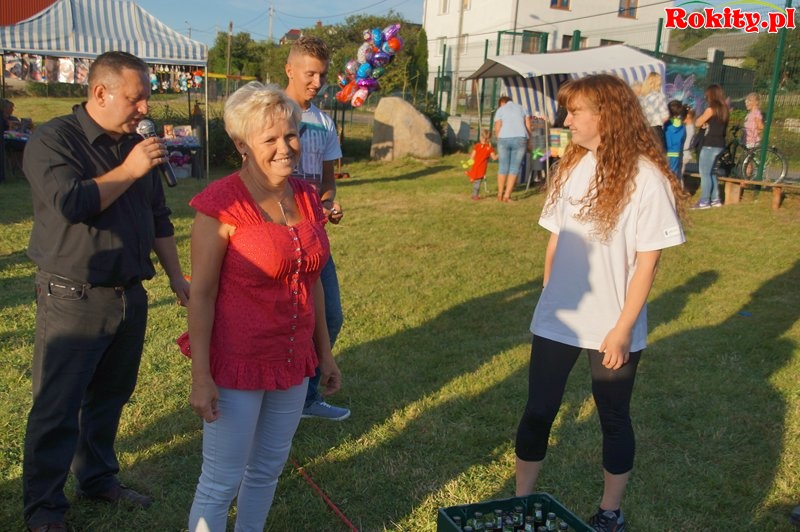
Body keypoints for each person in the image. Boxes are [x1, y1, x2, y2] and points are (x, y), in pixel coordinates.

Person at [21, 50, 190, 532]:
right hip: (72, 296)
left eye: (147, 99)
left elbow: (158, 218)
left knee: (110, 396)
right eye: (136, 99)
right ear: (100, 92)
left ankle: (96, 479)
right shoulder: (53, 140)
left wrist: (177, 277)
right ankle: (44, 509)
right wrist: (130, 170)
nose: (145, 109)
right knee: (58, 405)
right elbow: (71, 202)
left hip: (128, 293)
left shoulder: (136, 146)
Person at [514, 74, 687, 532]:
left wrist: (623, 328)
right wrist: (550, 294)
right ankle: (520, 500)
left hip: (614, 324)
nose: (566, 120)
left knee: (612, 416)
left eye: (575, 112)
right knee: (538, 410)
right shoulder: (571, 167)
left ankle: (610, 512)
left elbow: (648, 262)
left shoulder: (646, 178)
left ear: (606, 115)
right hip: (560, 319)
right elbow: (555, 239)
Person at [183, 81, 342, 531]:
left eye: (290, 135)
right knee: (221, 481)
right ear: (242, 145)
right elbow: (202, 294)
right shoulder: (221, 204)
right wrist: (201, 376)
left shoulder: (307, 196)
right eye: (269, 139)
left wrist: (325, 353)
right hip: (238, 362)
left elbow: (311, 282)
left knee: (268, 469)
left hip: (292, 361)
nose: (284, 147)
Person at [284, 36, 350, 421]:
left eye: (322, 75)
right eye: (310, 73)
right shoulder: (270, 111)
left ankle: (306, 399)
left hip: (314, 235)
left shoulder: (324, 122)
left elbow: (327, 182)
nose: (317, 82)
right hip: (278, 236)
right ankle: (280, 398)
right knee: (286, 319)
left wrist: (328, 204)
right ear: (290, 70)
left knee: (331, 316)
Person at [694, 84, 729, 209]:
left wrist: (702, 122)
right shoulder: (724, 110)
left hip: (709, 144)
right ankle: (715, 199)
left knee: (705, 173)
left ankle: (704, 201)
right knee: (712, 172)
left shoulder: (711, 109)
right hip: (720, 144)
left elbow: (698, 122)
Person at [494, 95, 532, 202]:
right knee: (514, 168)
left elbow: (497, 127)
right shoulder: (522, 108)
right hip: (520, 138)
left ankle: (499, 194)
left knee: (502, 167)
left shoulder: (500, 110)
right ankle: (507, 196)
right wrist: (529, 140)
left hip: (503, 138)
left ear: (504, 103)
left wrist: (499, 139)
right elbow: (528, 125)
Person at [638, 72, 669, 148]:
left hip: (643, 130)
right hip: (656, 130)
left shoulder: (641, 98)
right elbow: (665, 116)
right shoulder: (659, 97)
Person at [466, 128, 497, 200]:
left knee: (476, 181)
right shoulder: (489, 148)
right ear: (489, 139)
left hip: (475, 166)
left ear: (480, 137)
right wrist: (500, 154)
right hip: (481, 168)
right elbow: (494, 158)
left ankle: (472, 177)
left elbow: (472, 157)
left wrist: (469, 162)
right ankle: (475, 195)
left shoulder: (477, 146)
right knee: (477, 182)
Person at [664, 100, 687, 181]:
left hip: (667, 151)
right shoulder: (682, 125)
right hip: (676, 152)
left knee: (665, 174)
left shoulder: (667, 124)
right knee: (674, 174)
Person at [681, 105, 696, 186]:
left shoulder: (688, 128)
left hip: (684, 154)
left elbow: (686, 144)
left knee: (678, 174)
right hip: (686, 153)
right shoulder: (689, 127)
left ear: (688, 116)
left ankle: (679, 189)